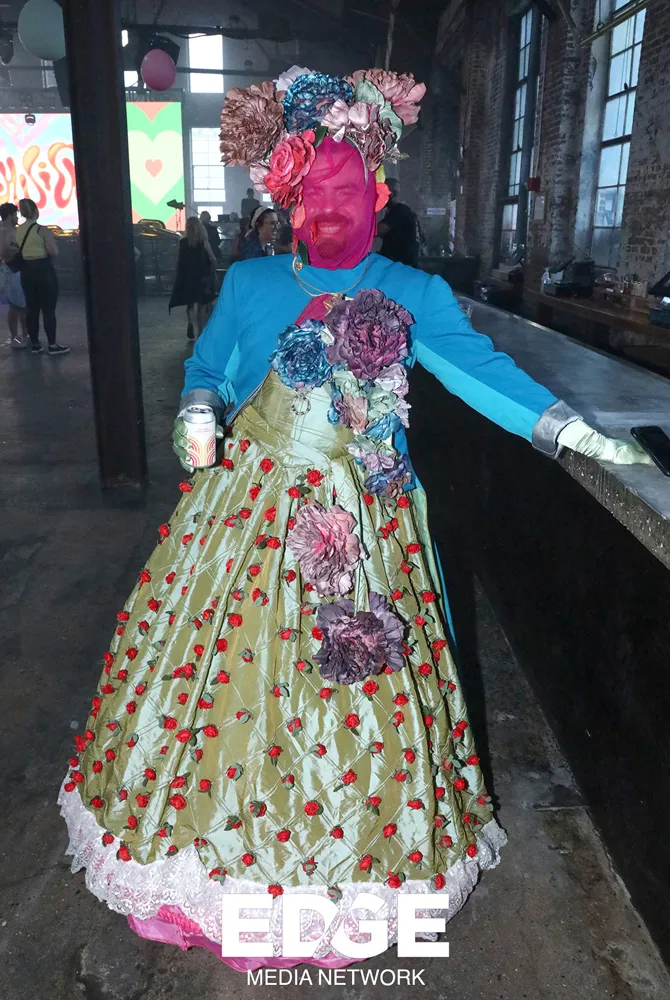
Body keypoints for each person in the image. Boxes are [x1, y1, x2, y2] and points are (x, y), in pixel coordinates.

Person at [59, 65, 652, 972]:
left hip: (367, 515)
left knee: (359, 683)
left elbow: (480, 369)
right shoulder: (251, 282)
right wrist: (197, 408)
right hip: (249, 507)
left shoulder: (413, 292)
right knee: (229, 681)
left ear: (377, 195)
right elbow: (211, 366)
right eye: (315, 195)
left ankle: (348, 859)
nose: (330, 210)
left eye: (348, 192)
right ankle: (213, 856)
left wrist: (567, 428)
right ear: (291, 202)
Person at [15, 198, 68, 355]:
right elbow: (53, 252)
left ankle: (35, 344)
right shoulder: (42, 230)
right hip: (44, 271)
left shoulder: (18, 230)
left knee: (32, 308)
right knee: (48, 309)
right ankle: (52, 345)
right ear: (35, 211)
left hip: (26, 272)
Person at [169, 217, 217, 340]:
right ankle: (200, 330)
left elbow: (179, 259)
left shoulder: (182, 242)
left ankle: (190, 323)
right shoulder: (203, 241)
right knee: (201, 304)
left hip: (187, 275)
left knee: (189, 303)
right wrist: (213, 266)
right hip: (201, 276)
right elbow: (212, 258)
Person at [0, 202, 28, 349]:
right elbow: (3, 251)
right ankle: (19, 337)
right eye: (16, 214)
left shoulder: (9, 229)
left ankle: (21, 336)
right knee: (18, 306)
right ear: (10, 215)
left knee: (18, 305)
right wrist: (18, 250)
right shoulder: (5, 230)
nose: (17, 217)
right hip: (12, 271)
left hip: (14, 270)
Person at [378, 177, 421, 268]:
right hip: (402, 266)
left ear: (392, 194)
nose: (378, 196)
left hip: (399, 266)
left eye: (381, 192)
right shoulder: (407, 212)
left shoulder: (399, 211)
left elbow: (378, 231)